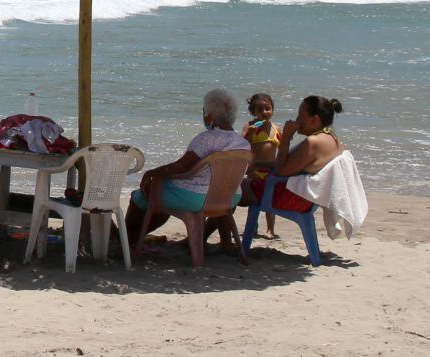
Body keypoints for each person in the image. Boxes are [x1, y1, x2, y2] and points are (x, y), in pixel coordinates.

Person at [125, 88, 250, 257]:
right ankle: (132, 238)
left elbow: (181, 167)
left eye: (204, 111)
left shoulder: (206, 138)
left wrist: (151, 173)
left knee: (142, 196)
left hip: (196, 198)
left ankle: (128, 238)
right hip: (228, 197)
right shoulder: (242, 143)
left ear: (209, 115)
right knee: (162, 189)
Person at [248, 95, 346, 215]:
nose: (297, 119)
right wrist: (258, 164)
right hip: (307, 199)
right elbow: (293, 163)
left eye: (300, 115)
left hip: (291, 198)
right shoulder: (332, 138)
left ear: (314, 120)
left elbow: (281, 171)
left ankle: (226, 232)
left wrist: (286, 139)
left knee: (233, 191)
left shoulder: (313, 143)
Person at [244, 93, 283, 237]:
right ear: (253, 112)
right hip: (255, 169)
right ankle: (253, 226)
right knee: (254, 200)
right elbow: (241, 143)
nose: (265, 112)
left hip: (270, 171)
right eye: (260, 110)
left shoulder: (276, 129)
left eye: (268, 108)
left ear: (273, 109)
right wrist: (249, 134)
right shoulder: (249, 126)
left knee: (269, 201)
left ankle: (270, 229)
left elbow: (283, 148)